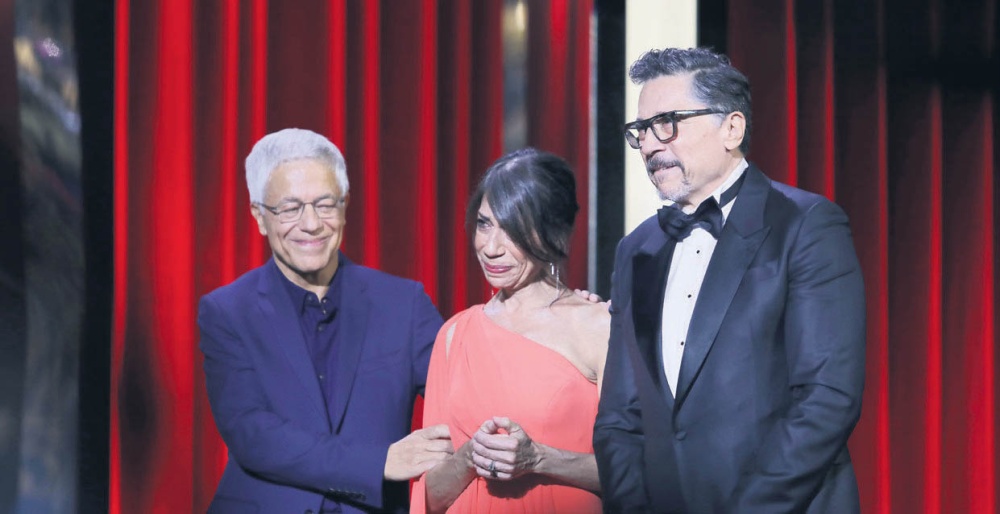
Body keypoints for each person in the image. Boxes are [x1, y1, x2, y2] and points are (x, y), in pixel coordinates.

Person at [593, 47, 866, 513]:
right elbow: (619, 416)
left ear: (732, 129)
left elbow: (827, 398)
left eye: (667, 123)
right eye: (642, 130)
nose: (650, 145)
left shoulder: (805, 226)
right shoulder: (636, 249)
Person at [198, 128, 453, 514]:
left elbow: (465, 390)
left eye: (324, 204)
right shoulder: (227, 311)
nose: (311, 224)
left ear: (345, 206)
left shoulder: (403, 304)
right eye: (290, 208)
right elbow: (252, 434)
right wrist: (378, 463)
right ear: (260, 217)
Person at [411, 148, 609, 513]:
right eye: (485, 224)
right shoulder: (454, 336)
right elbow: (431, 498)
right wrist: (468, 457)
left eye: (513, 229)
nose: (490, 248)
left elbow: (637, 469)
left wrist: (539, 458)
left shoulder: (597, 326)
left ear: (553, 231)